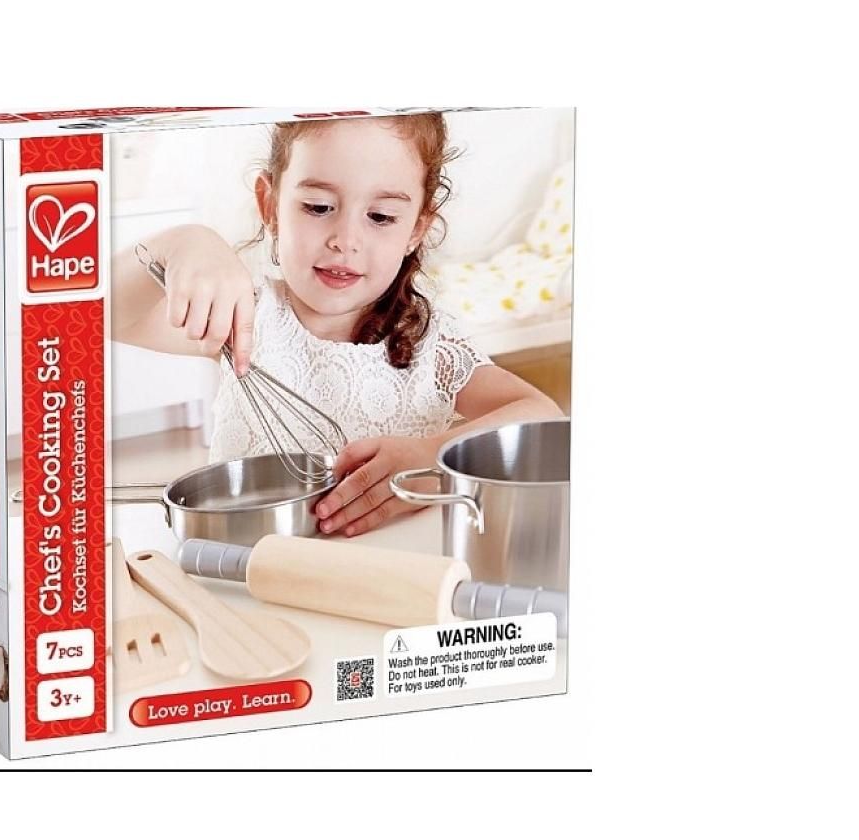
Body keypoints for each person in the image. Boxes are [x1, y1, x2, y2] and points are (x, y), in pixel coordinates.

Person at [112, 113, 562, 537]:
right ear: (270, 205)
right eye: (318, 206)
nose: (345, 240)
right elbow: (101, 312)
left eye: (380, 217)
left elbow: (543, 416)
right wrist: (182, 243)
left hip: (393, 572)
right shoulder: (244, 319)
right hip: (253, 567)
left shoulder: (431, 345)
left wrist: (434, 458)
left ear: (416, 230)